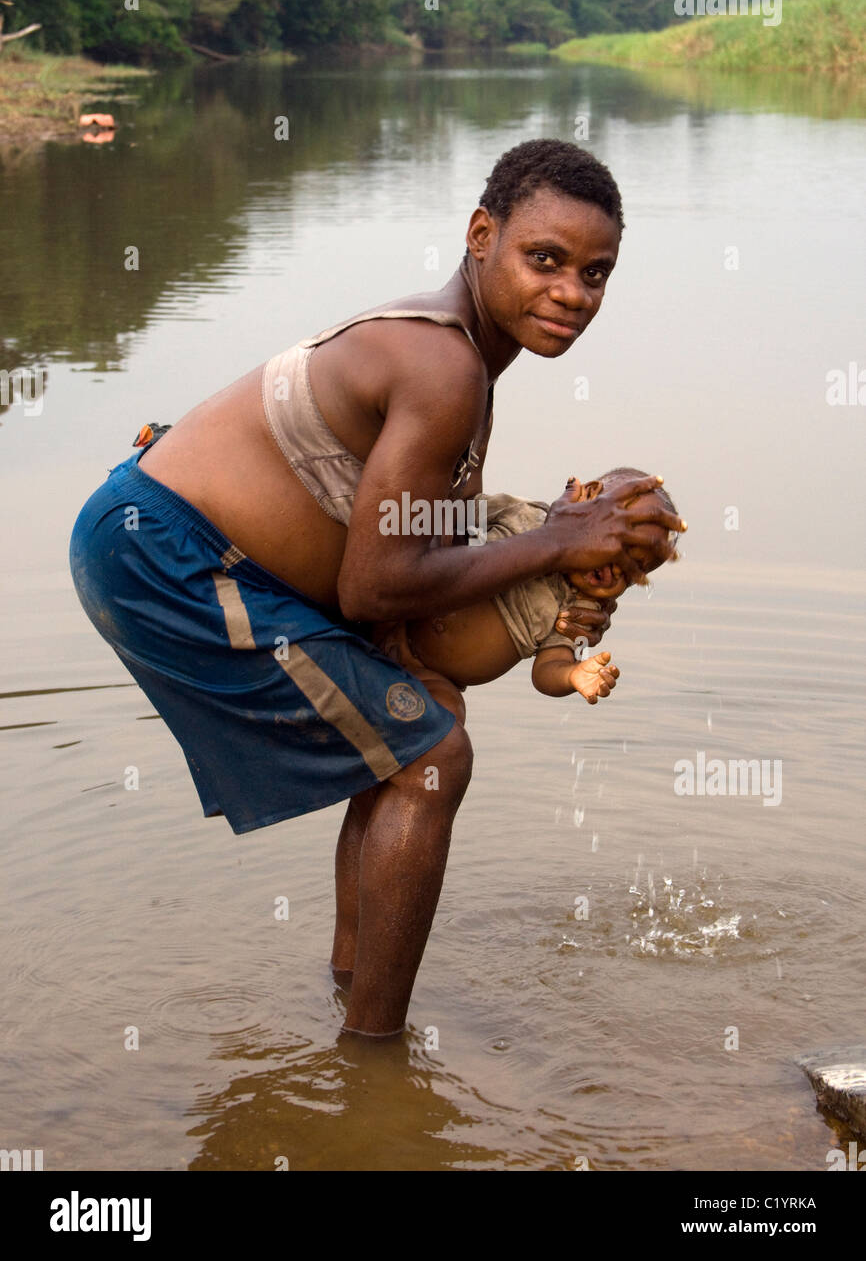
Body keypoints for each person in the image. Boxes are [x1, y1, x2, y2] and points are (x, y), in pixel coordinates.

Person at [68, 138, 686, 1038]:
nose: (571, 293)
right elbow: (373, 584)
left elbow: (409, 540)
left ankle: (351, 986)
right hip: (168, 557)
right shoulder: (443, 368)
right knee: (433, 758)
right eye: (544, 259)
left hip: (183, 543)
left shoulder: (464, 364)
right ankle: (373, 1058)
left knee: (421, 723)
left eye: (596, 274)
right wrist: (556, 540)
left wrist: (529, 551)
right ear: (482, 234)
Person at [374, 468, 680, 702]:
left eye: (632, 571)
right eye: (617, 544)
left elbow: (547, 670)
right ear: (588, 496)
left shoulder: (580, 609)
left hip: (434, 679)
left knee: (447, 725)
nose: (614, 568)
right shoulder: (524, 517)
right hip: (392, 622)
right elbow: (454, 513)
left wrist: (572, 675)